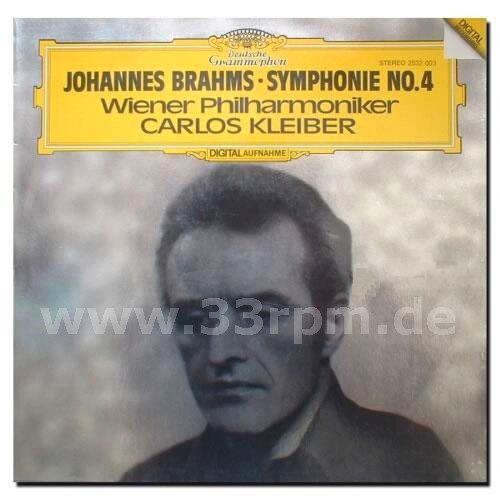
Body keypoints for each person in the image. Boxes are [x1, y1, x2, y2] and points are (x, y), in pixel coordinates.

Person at [121, 165, 462, 483]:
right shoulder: (146, 482)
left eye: (260, 315)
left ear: (331, 325)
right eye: (195, 319)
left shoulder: (410, 467)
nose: (219, 353)